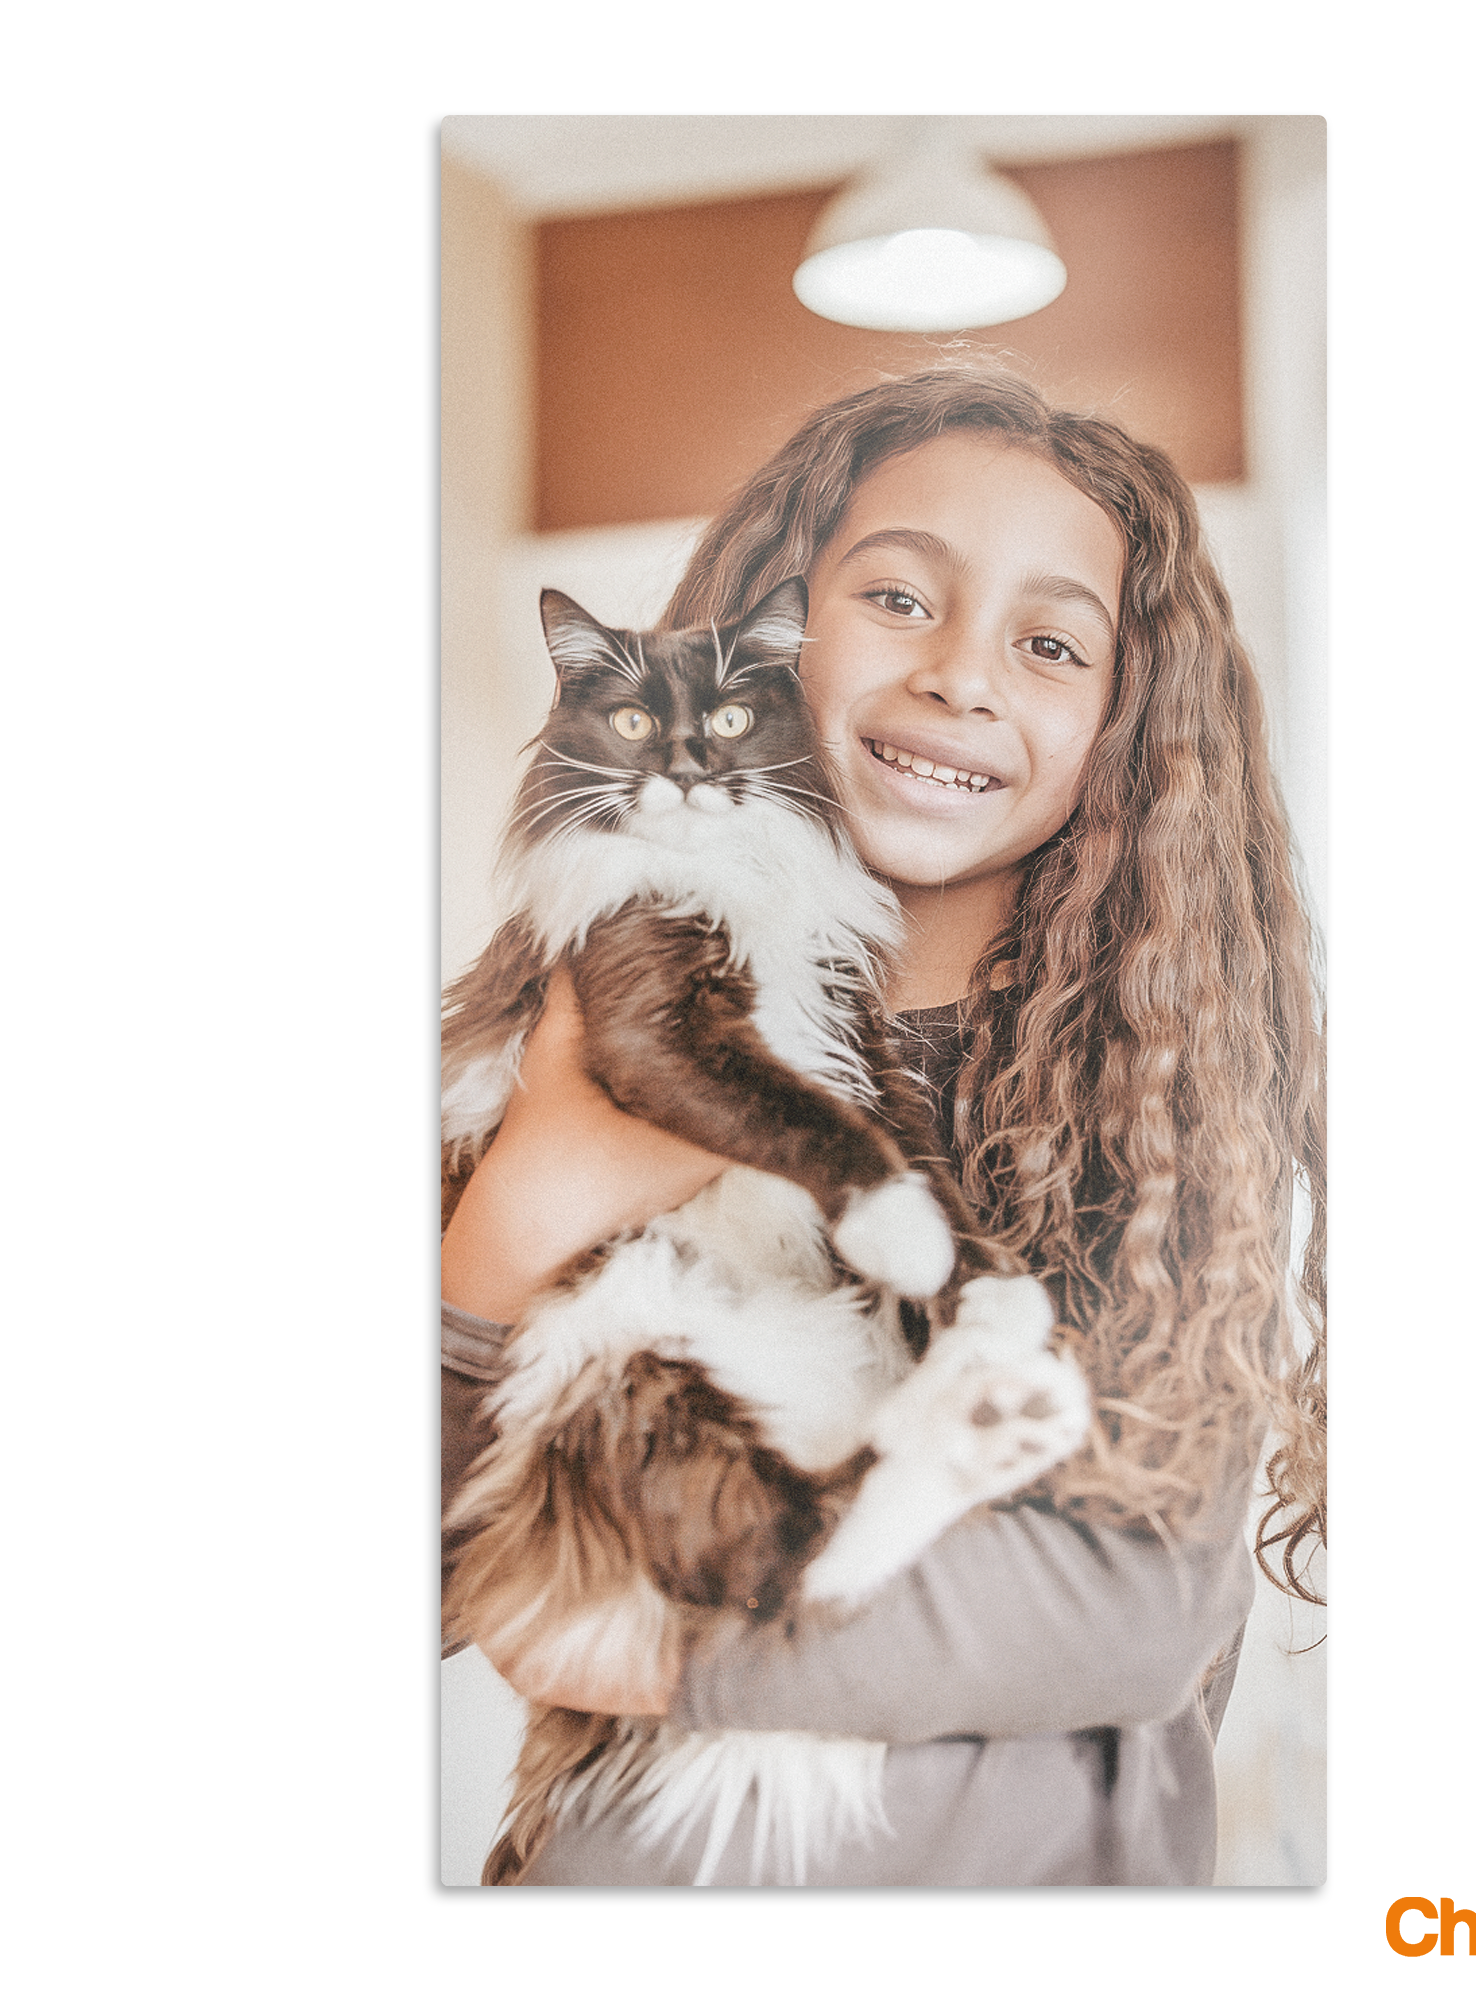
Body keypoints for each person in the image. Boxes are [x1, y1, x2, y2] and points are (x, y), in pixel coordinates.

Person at [440, 366, 1327, 1886]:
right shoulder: (557, 1043)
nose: (962, 677)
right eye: (901, 600)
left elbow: (1121, 1613)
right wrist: (518, 1213)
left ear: (1129, 720)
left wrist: (638, 1645)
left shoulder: (1165, 1111)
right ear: (769, 642)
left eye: (1050, 642)